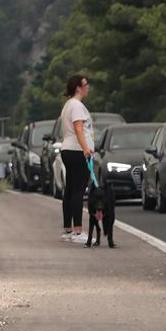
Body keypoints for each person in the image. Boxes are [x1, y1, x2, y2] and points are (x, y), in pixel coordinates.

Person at [57, 74, 95, 243]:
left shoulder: (68, 105)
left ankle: (68, 229)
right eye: (85, 84)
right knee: (78, 190)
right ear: (78, 87)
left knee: (70, 189)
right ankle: (78, 231)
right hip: (77, 150)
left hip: (68, 149)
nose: (88, 87)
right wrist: (86, 149)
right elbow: (79, 129)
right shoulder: (77, 106)